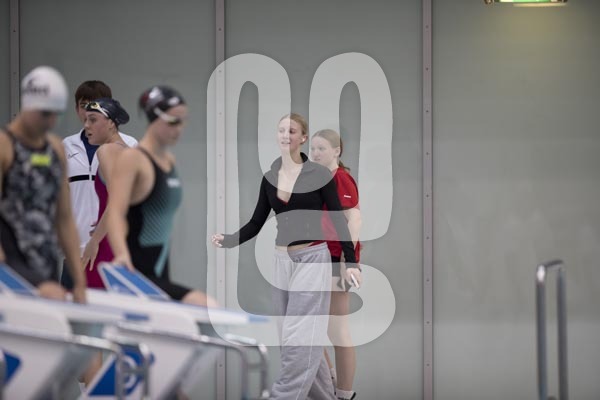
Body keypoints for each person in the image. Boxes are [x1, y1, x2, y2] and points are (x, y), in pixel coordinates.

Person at [211, 113, 359, 400]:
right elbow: (256, 222)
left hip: (313, 258)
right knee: (291, 337)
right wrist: (229, 240)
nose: (285, 135)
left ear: (303, 137)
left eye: (291, 131)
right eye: (281, 130)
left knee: (299, 339)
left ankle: (282, 395)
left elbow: (338, 219)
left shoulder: (318, 175)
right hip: (282, 261)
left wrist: (351, 262)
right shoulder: (270, 178)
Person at [107, 85, 214, 306]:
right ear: (154, 117)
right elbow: (115, 213)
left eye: (183, 121)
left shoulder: (169, 161)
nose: (179, 129)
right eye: (173, 121)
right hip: (137, 274)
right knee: (206, 306)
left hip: (161, 272)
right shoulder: (132, 159)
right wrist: (121, 254)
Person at [0, 66, 86, 303]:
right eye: (45, 113)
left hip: (46, 267)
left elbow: (64, 219)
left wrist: (79, 282)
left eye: (56, 114)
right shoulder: (5, 146)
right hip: (9, 266)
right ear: (28, 105)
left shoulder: (56, 149)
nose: (51, 121)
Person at [61, 81, 137, 287]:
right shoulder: (66, 146)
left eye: (93, 115)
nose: (87, 120)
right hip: (77, 246)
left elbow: (120, 201)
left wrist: (96, 238)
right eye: (84, 107)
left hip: (106, 245)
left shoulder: (122, 147)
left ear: (110, 119)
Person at [311, 129, 362, 400]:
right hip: (317, 258)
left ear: (336, 151)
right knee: (312, 329)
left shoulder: (340, 178)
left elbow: (354, 220)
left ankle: (344, 393)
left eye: (321, 148)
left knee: (337, 330)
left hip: (336, 260)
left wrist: (347, 260)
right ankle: (330, 383)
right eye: (313, 148)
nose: (315, 153)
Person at [79, 98, 131, 287]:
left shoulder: (107, 150)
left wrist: (94, 241)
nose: (86, 125)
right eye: (86, 120)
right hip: (125, 243)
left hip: (107, 246)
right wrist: (103, 221)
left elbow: (116, 200)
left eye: (93, 119)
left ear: (111, 123)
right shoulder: (130, 152)